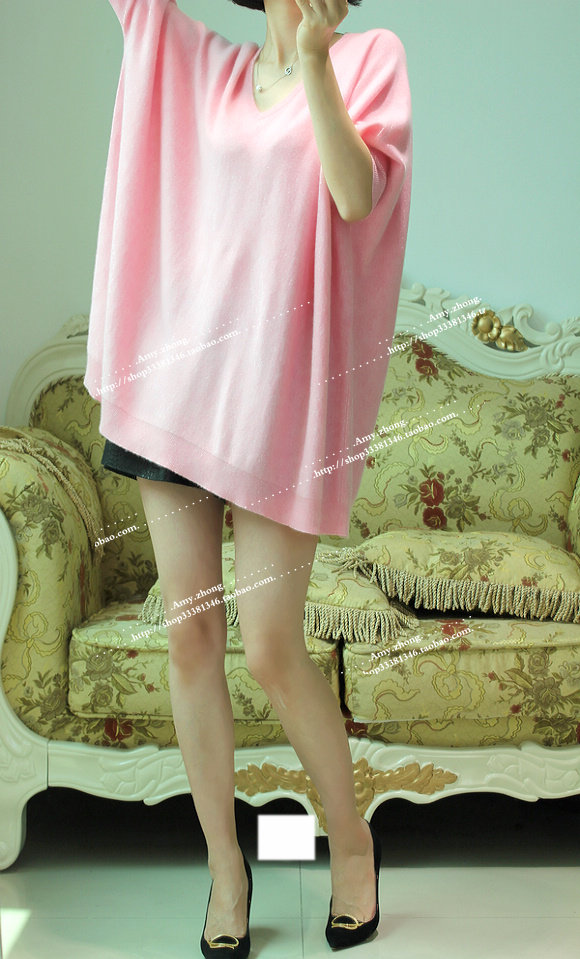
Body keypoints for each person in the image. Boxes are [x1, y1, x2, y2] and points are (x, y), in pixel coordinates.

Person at [86, 0, 412, 955]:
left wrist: (314, 62)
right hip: (176, 388)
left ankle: (352, 846)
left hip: (276, 407)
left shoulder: (368, 60)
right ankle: (228, 871)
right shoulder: (199, 65)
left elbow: (357, 197)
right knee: (190, 636)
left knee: (270, 647)